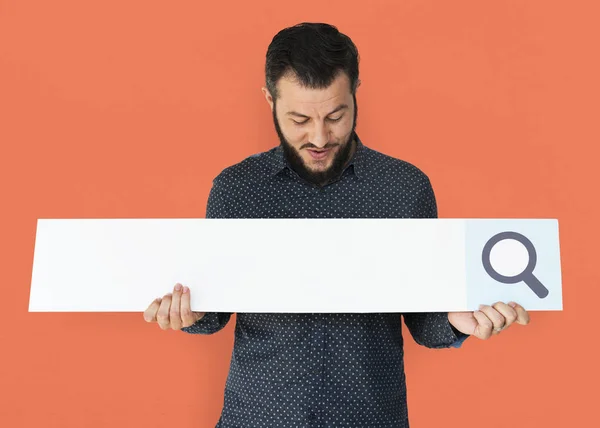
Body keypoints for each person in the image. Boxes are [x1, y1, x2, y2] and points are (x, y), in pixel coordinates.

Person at [143, 22, 530, 428]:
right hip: (257, 416)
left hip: (371, 417)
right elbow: (213, 314)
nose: (319, 136)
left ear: (355, 94)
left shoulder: (404, 188)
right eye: (299, 119)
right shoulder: (236, 190)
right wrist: (186, 314)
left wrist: (455, 321)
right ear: (268, 101)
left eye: (335, 115)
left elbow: (423, 317)